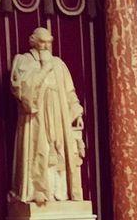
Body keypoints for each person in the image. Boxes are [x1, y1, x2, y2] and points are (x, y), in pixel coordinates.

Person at [9, 26, 86, 205]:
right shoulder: (23, 61)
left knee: (58, 150)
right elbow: (21, 88)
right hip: (36, 118)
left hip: (59, 116)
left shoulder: (58, 64)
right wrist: (44, 70)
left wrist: (77, 111)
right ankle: (38, 190)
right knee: (39, 150)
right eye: (41, 41)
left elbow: (69, 91)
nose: (45, 46)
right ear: (33, 41)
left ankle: (60, 190)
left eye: (48, 42)